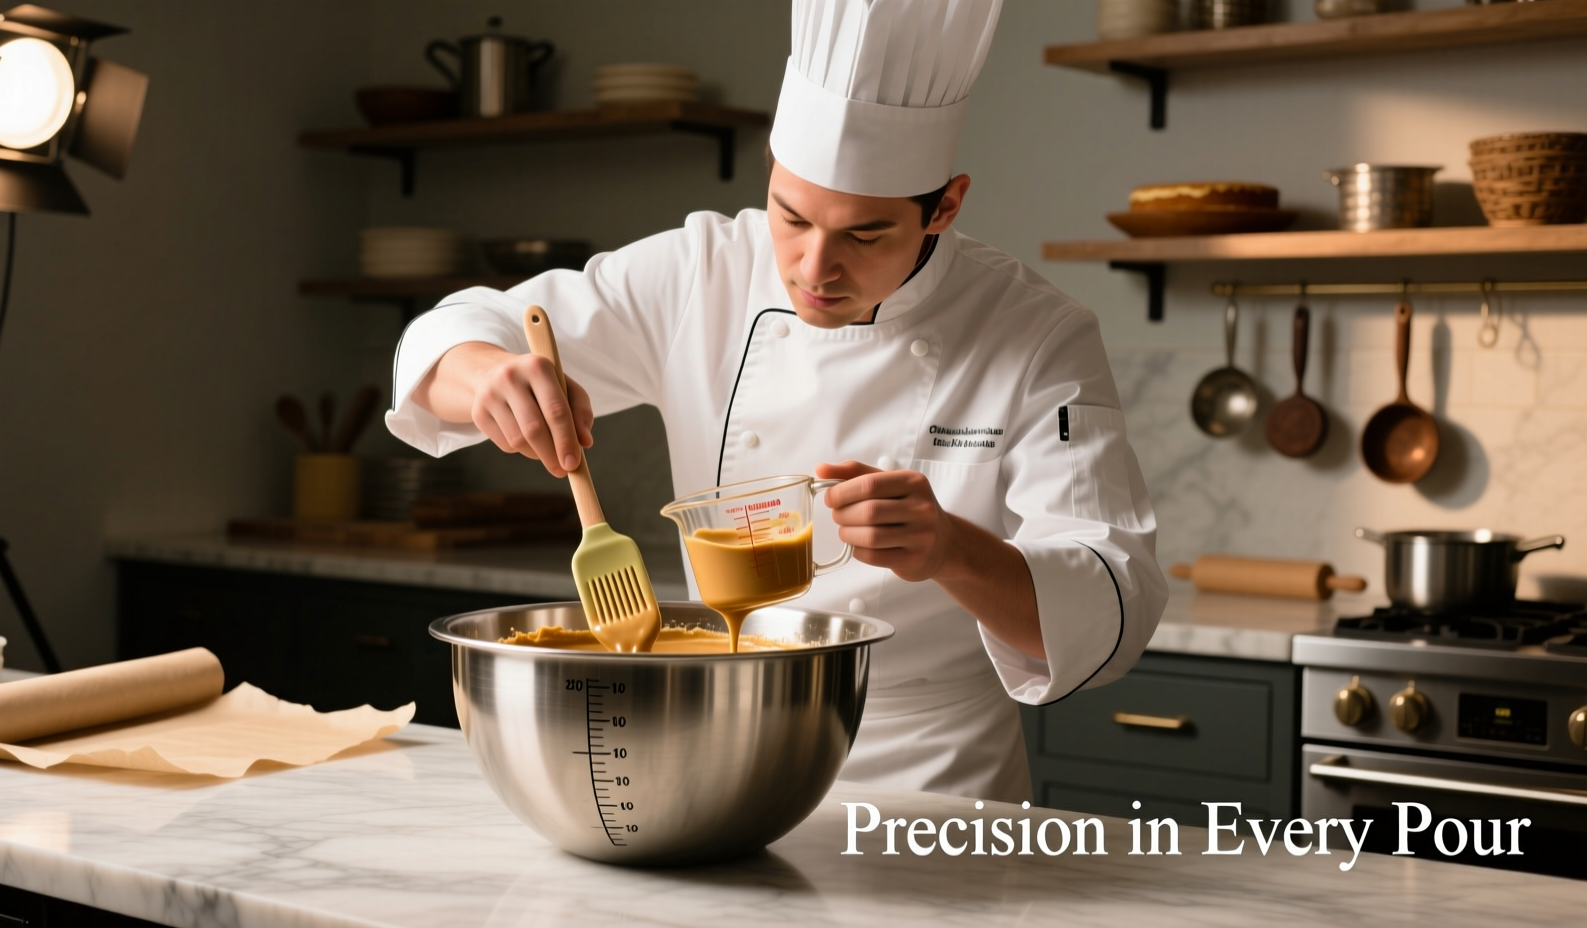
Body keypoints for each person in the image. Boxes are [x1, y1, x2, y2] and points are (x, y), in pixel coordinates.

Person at [387, 0, 1165, 803]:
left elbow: (1112, 603)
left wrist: (950, 550)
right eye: (791, 216)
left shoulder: (1036, 334)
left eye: (864, 236)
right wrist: (488, 376)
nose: (814, 268)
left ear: (945, 206)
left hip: (929, 781)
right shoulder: (702, 272)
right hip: (717, 753)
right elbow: (448, 339)